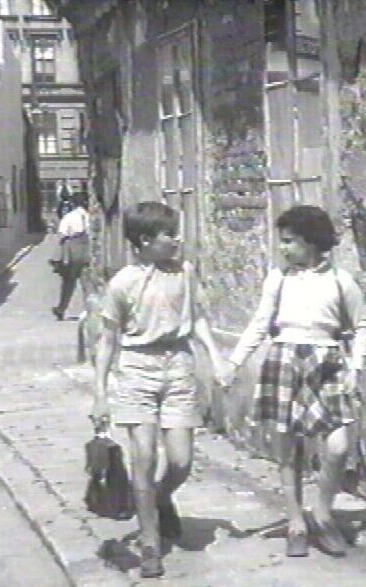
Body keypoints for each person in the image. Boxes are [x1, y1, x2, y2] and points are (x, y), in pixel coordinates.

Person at [220, 205, 366, 558]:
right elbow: (260, 324)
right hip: (284, 361)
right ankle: (295, 522)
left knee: (337, 447)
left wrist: (356, 367)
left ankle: (322, 514)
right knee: (288, 451)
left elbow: (362, 324)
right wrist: (233, 364)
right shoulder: (278, 279)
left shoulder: (340, 281)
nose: (284, 248)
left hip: (328, 364)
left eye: (290, 241)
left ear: (311, 241)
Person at [92, 201, 226, 578]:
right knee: (144, 457)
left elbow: (196, 320)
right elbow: (107, 340)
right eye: (169, 234)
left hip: (179, 366)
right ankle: (150, 542)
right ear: (145, 240)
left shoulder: (184, 272)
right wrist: (100, 393)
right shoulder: (122, 283)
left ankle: (161, 496)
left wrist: (215, 359)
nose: (177, 239)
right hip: (137, 368)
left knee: (181, 461)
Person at [52, 193, 90, 321]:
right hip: (88, 248)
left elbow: (62, 235)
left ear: (73, 204)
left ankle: (61, 308)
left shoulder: (69, 217)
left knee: (69, 281)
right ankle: (91, 309)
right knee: (88, 282)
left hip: (73, 248)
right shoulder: (89, 216)